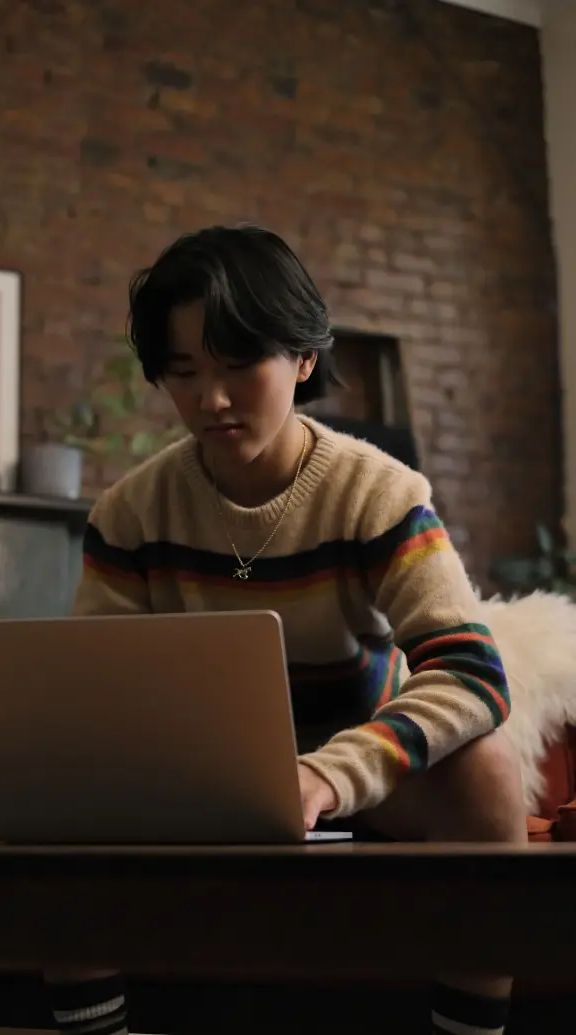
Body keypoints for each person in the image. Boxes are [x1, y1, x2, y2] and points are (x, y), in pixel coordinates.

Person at [43, 225, 526, 1035]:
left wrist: (331, 775)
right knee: (57, 779)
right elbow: (101, 687)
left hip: (360, 769)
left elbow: (473, 674)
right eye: (185, 371)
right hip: (198, 775)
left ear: (304, 359)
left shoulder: (379, 492)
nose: (211, 399)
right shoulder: (130, 511)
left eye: (238, 365)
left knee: (490, 774)